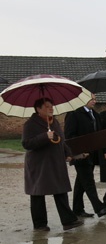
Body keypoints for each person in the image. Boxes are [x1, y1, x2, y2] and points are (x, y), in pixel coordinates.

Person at [22, 97, 84, 231]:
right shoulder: (30, 124)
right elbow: (27, 144)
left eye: (52, 106)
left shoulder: (54, 122)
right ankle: (40, 225)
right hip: (39, 165)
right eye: (47, 106)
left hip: (56, 163)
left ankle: (68, 221)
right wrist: (45, 137)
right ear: (38, 109)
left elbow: (61, 139)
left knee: (60, 190)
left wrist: (68, 153)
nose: (51, 109)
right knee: (38, 193)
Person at [64, 93, 106, 218]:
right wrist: (78, 151)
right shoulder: (74, 114)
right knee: (88, 181)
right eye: (92, 99)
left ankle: (77, 209)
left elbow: (100, 134)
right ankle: (99, 207)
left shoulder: (95, 115)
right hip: (81, 155)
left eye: (95, 99)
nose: (94, 101)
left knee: (81, 182)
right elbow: (70, 136)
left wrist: (105, 150)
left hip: (92, 154)